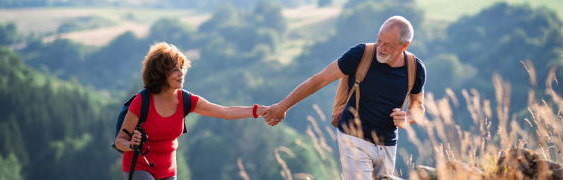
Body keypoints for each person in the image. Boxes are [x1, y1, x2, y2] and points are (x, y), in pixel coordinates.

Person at [262, 16, 426, 179]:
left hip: (388, 144)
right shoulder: (360, 55)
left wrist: (407, 118)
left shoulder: (415, 68)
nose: (380, 47)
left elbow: (417, 107)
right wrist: (282, 106)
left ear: (404, 45)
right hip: (353, 137)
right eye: (379, 40)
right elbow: (319, 80)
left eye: (387, 45)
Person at [115, 42, 268, 180]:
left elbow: (226, 112)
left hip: (168, 171)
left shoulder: (186, 100)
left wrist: (259, 110)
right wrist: (131, 145)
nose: (181, 73)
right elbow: (119, 141)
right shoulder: (143, 101)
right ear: (160, 73)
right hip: (139, 168)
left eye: (182, 68)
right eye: (175, 70)